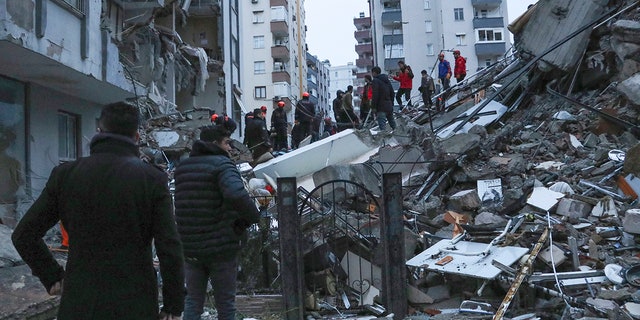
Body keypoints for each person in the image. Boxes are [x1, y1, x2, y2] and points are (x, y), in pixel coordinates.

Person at [11, 101, 185, 320]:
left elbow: (23, 234)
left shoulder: (66, 175)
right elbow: (169, 248)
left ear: (99, 132)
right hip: (134, 303)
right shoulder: (152, 179)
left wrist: (52, 276)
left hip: (81, 301)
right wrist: (173, 306)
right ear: (137, 137)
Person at [174, 122, 259, 320]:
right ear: (215, 143)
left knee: (193, 301)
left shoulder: (183, 167)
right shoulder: (222, 165)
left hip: (190, 247)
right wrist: (252, 217)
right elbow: (236, 195)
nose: (230, 147)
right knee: (225, 304)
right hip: (220, 247)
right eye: (227, 143)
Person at [371, 66, 396, 131]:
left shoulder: (375, 81)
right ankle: (401, 137)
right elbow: (392, 93)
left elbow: (375, 94)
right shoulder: (386, 80)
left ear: (374, 73)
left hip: (381, 107)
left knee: (383, 129)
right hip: (389, 106)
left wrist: (373, 107)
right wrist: (391, 103)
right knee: (393, 125)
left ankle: (386, 140)